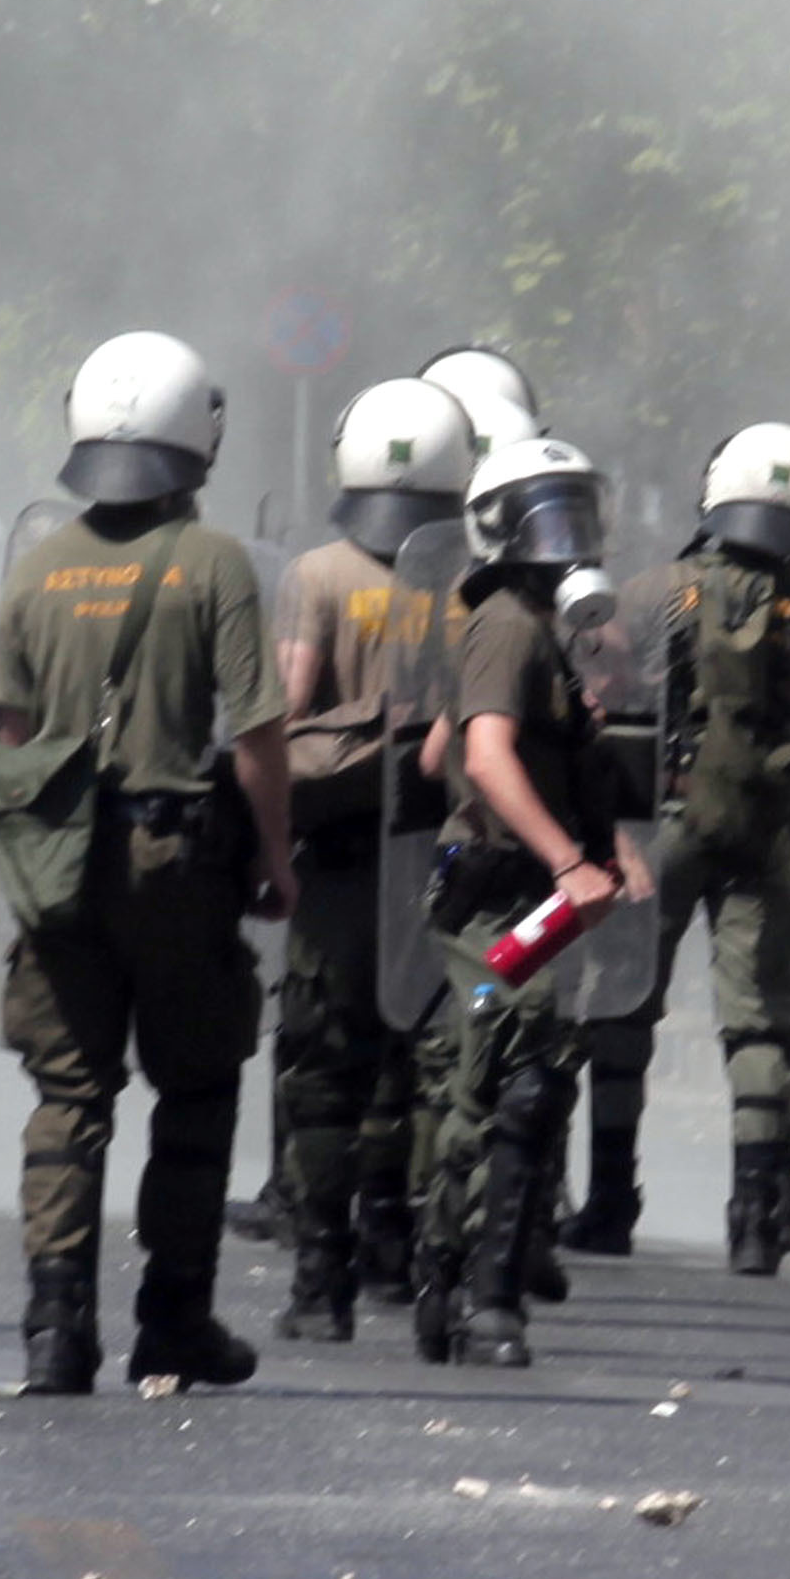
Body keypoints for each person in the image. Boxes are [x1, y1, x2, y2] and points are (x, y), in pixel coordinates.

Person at [0, 331, 293, 1397]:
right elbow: (254, 739)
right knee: (197, 1087)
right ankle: (173, 1320)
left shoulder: (35, 570)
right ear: (193, 434)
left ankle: (55, 1329)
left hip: (58, 868)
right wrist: (277, 866)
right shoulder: (213, 565)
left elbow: (11, 742)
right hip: (179, 865)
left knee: (69, 1094)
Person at [563, 423, 790, 1274]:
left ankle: (611, 1203)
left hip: (663, 824)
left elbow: (601, 676)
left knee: (621, 1004)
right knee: (757, 1023)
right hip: (764, 830)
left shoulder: (660, 588)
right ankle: (758, 1220)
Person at [413, 433, 651, 1368]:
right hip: (503, 899)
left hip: (530, 903)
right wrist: (564, 858)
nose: (568, 533)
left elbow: (439, 755)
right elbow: (480, 758)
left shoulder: (530, 628)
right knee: (513, 1076)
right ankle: (484, 1299)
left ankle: (458, 1282)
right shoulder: (508, 620)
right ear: (496, 526)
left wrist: (602, 839)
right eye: (547, 513)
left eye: (576, 511)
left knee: (512, 1077)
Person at [267, 376, 476, 1341]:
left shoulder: (316, 575)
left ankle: (319, 1280)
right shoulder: (474, 580)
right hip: (439, 859)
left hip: (340, 859)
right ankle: (398, 1250)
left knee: (322, 1066)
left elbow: (287, 715)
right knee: (415, 1059)